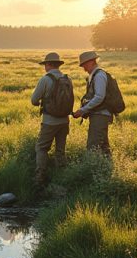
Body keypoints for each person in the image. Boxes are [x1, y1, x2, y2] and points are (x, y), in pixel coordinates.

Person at [30, 52, 72, 188]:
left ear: (48, 65)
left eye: (45, 65)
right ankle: (62, 177)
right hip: (64, 121)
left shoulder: (45, 79)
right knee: (60, 150)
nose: (45, 67)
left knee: (41, 148)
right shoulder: (67, 79)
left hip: (49, 121)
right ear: (58, 64)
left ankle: (40, 178)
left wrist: (40, 103)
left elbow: (34, 100)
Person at [72, 51, 112, 156]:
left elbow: (99, 97)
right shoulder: (95, 75)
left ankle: (92, 170)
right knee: (103, 147)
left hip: (100, 115)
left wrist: (82, 110)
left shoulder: (99, 76)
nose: (84, 68)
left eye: (84, 65)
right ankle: (106, 169)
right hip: (99, 115)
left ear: (91, 62)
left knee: (93, 146)